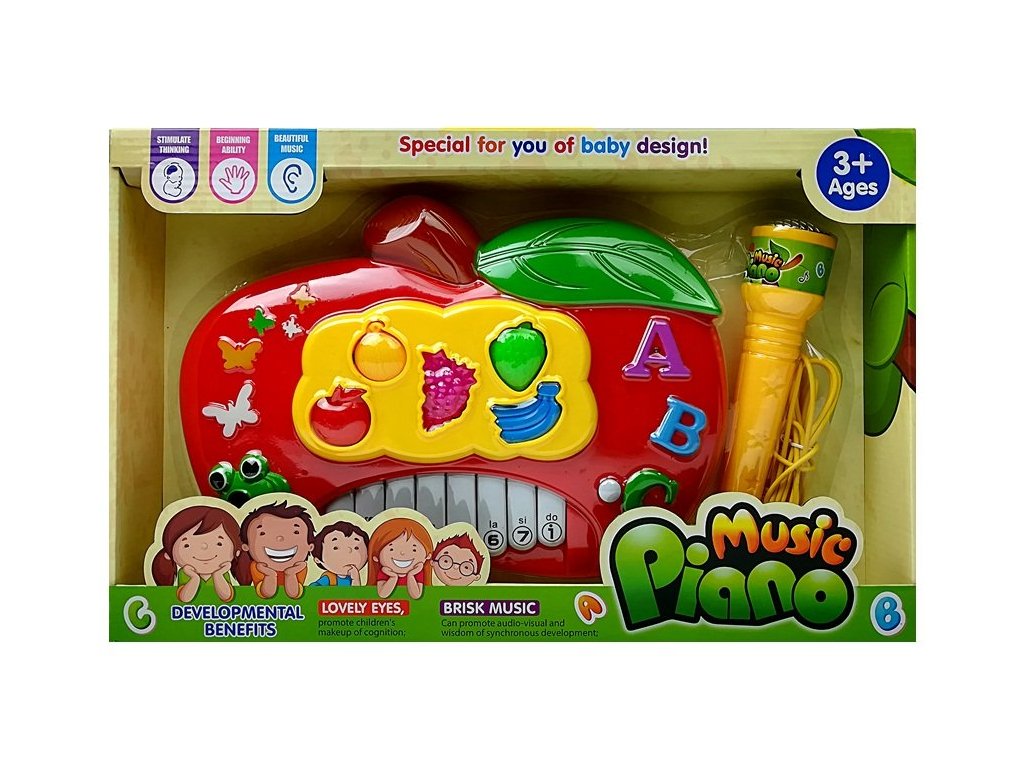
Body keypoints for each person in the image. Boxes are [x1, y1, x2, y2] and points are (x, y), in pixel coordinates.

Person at [151, 505, 250, 602]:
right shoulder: (186, 572)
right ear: (170, 554)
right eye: (187, 545)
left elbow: (226, 596)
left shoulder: (221, 572)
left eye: (219, 544)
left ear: (237, 550)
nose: (204, 548)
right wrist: (194, 578)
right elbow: (185, 598)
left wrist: (218, 575)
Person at [240, 501, 315, 599]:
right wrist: (270, 575)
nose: (280, 538)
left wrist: (291, 574)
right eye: (263, 533)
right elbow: (267, 594)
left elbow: (294, 594)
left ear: (310, 546)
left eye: (295, 532)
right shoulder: (258, 567)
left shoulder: (299, 566)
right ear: (246, 547)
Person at [367, 518, 433, 599]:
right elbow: (382, 594)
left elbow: (416, 595)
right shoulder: (385, 571)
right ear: (376, 557)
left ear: (428, 556)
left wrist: (411, 575)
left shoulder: (417, 572)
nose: (402, 553)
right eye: (392, 549)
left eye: (414, 549)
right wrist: (393, 577)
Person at [309, 520, 369, 587]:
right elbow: (313, 588)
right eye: (336, 548)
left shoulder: (353, 578)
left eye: (356, 548)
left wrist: (355, 580)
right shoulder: (329, 578)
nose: (348, 551)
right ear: (318, 560)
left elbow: (356, 593)